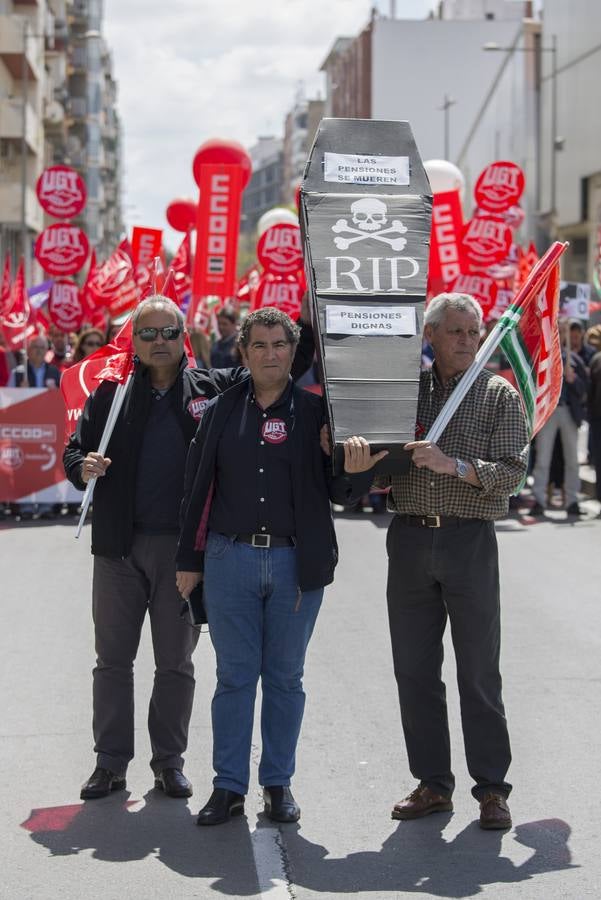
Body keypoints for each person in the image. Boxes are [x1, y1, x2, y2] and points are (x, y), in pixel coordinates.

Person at [176, 307, 384, 827]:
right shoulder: (221, 411)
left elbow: (340, 492)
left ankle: (277, 784)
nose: (271, 354)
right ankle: (227, 787)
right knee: (234, 678)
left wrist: (352, 470)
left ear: (295, 352)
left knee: (286, 680)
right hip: (229, 560)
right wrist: (189, 561)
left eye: (280, 345)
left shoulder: (318, 415)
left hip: (296, 563)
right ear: (242, 352)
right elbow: (196, 489)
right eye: (260, 345)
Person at [62, 295, 252, 802]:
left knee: (175, 663)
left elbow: (271, 366)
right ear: (134, 342)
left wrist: (306, 318)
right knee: (112, 661)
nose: (160, 342)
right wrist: (83, 467)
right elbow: (74, 448)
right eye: (148, 334)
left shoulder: (211, 388)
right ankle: (110, 764)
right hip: (118, 550)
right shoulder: (111, 393)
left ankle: (169, 763)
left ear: (183, 336)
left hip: (183, 554)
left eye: (169, 332)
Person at [377, 292, 529, 831]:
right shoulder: (406, 392)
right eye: (457, 331)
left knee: (478, 671)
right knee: (415, 670)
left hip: (469, 541)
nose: (468, 340)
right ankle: (432, 784)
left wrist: (453, 465)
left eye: (474, 331)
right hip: (411, 538)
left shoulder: (496, 394)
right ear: (432, 336)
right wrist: (359, 459)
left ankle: (491, 789)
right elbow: (379, 464)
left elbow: (512, 471)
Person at [531, 318, 589, 517]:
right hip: (549, 412)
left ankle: (572, 500)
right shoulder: (544, 358)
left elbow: (584, 392)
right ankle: (538, 499)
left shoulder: (574, 360)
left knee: (572, 459)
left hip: (568, 412)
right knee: (543, 458)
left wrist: (573, 380)